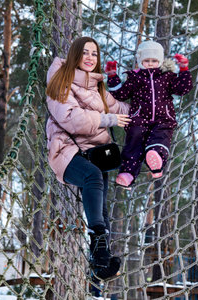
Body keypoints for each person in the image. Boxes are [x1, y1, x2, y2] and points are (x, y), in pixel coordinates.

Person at [45, 37, 131, 280]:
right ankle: (99, 245)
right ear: (75, 55)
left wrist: (153, 103)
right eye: (85, 53)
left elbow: (122, 111)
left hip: (94, 152)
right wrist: (107, 120)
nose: (90, 58)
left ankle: (100, 263)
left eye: (94, 53)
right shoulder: (61, 79)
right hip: (66, 150)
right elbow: (70, 117)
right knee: (92, 176)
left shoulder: (97, 86)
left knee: (101, 208)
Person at [105, 40, 193, 187]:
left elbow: (182, 89)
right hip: (139, 119)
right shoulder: (135, 77)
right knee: (133, 144)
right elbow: (120, 94)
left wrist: (184, 69)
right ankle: (127, 173)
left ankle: (155, 160)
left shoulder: (167, 76)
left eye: (154, 60)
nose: (150, 63)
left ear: (160, 61)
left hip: (163, 119)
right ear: (140, 61)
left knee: (160, 138)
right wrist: (112, 75)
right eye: (147, 61)